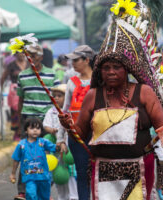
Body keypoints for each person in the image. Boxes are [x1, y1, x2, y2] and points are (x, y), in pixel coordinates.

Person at [58, 1, 163, 198]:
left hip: (140, 167)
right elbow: (81, 134)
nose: (111, 72)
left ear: (128, 70)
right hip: (102, 169)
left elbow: (162, 129)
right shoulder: (93, 96)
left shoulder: (144, 93)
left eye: (117, 67)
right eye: (106, 68)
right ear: (99, 70)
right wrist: (69, 127)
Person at [15, 44, 60, 200]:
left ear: (41, 57)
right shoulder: (22, 76)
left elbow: (57, 99)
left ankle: (44, 190)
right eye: (28, 56)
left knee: (47, 156)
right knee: (26, 155)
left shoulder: (52, 75)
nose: (31, 58)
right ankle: (23, 191)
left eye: (34, 55)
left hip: (46, 120)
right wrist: (19, 123)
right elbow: (20, 100)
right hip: (28, 119)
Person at [57, 45, 96, 200]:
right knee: (81, 173)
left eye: (76, 59)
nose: (72, 63)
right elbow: (64, 112)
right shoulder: (71, 83)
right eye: (71, 60)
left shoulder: (99, 82)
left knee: (98, 172)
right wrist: (61, 139)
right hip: (76, 136)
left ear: (87, 60)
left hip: (97, 135)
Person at [43, 84, 79, 200]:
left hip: (69, 147)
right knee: (58, 172)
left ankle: (73, 196)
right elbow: (46, 126)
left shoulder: (71, 112)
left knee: (71, 172)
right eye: (55, 96)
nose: (56, 98)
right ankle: (62, 197)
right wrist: (53, 131)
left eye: (60, 96)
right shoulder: (51, 112)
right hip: (57, 148)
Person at [10, 117, 58, 200]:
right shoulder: (21, 145)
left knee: (44, 197)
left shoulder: (43, 142)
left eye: (38, 128)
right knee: (31, 195)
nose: (35, 130)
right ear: (26, 130)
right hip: (29, 178)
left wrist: (61, 144)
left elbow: (55, 148)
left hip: (44, 178)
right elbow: (16, 160)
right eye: (32, 128)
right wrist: (13, 173)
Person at [0, 52, 29, 141]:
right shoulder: (11, 65)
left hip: (27, 90)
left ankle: (27, 131)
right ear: (15, 55)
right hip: (15, 91)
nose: (21, 55)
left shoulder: (29, 64)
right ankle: (17, 132)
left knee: (27, 110)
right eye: (19, 53)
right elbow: (3, 78)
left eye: (23, 53)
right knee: (16, 111)